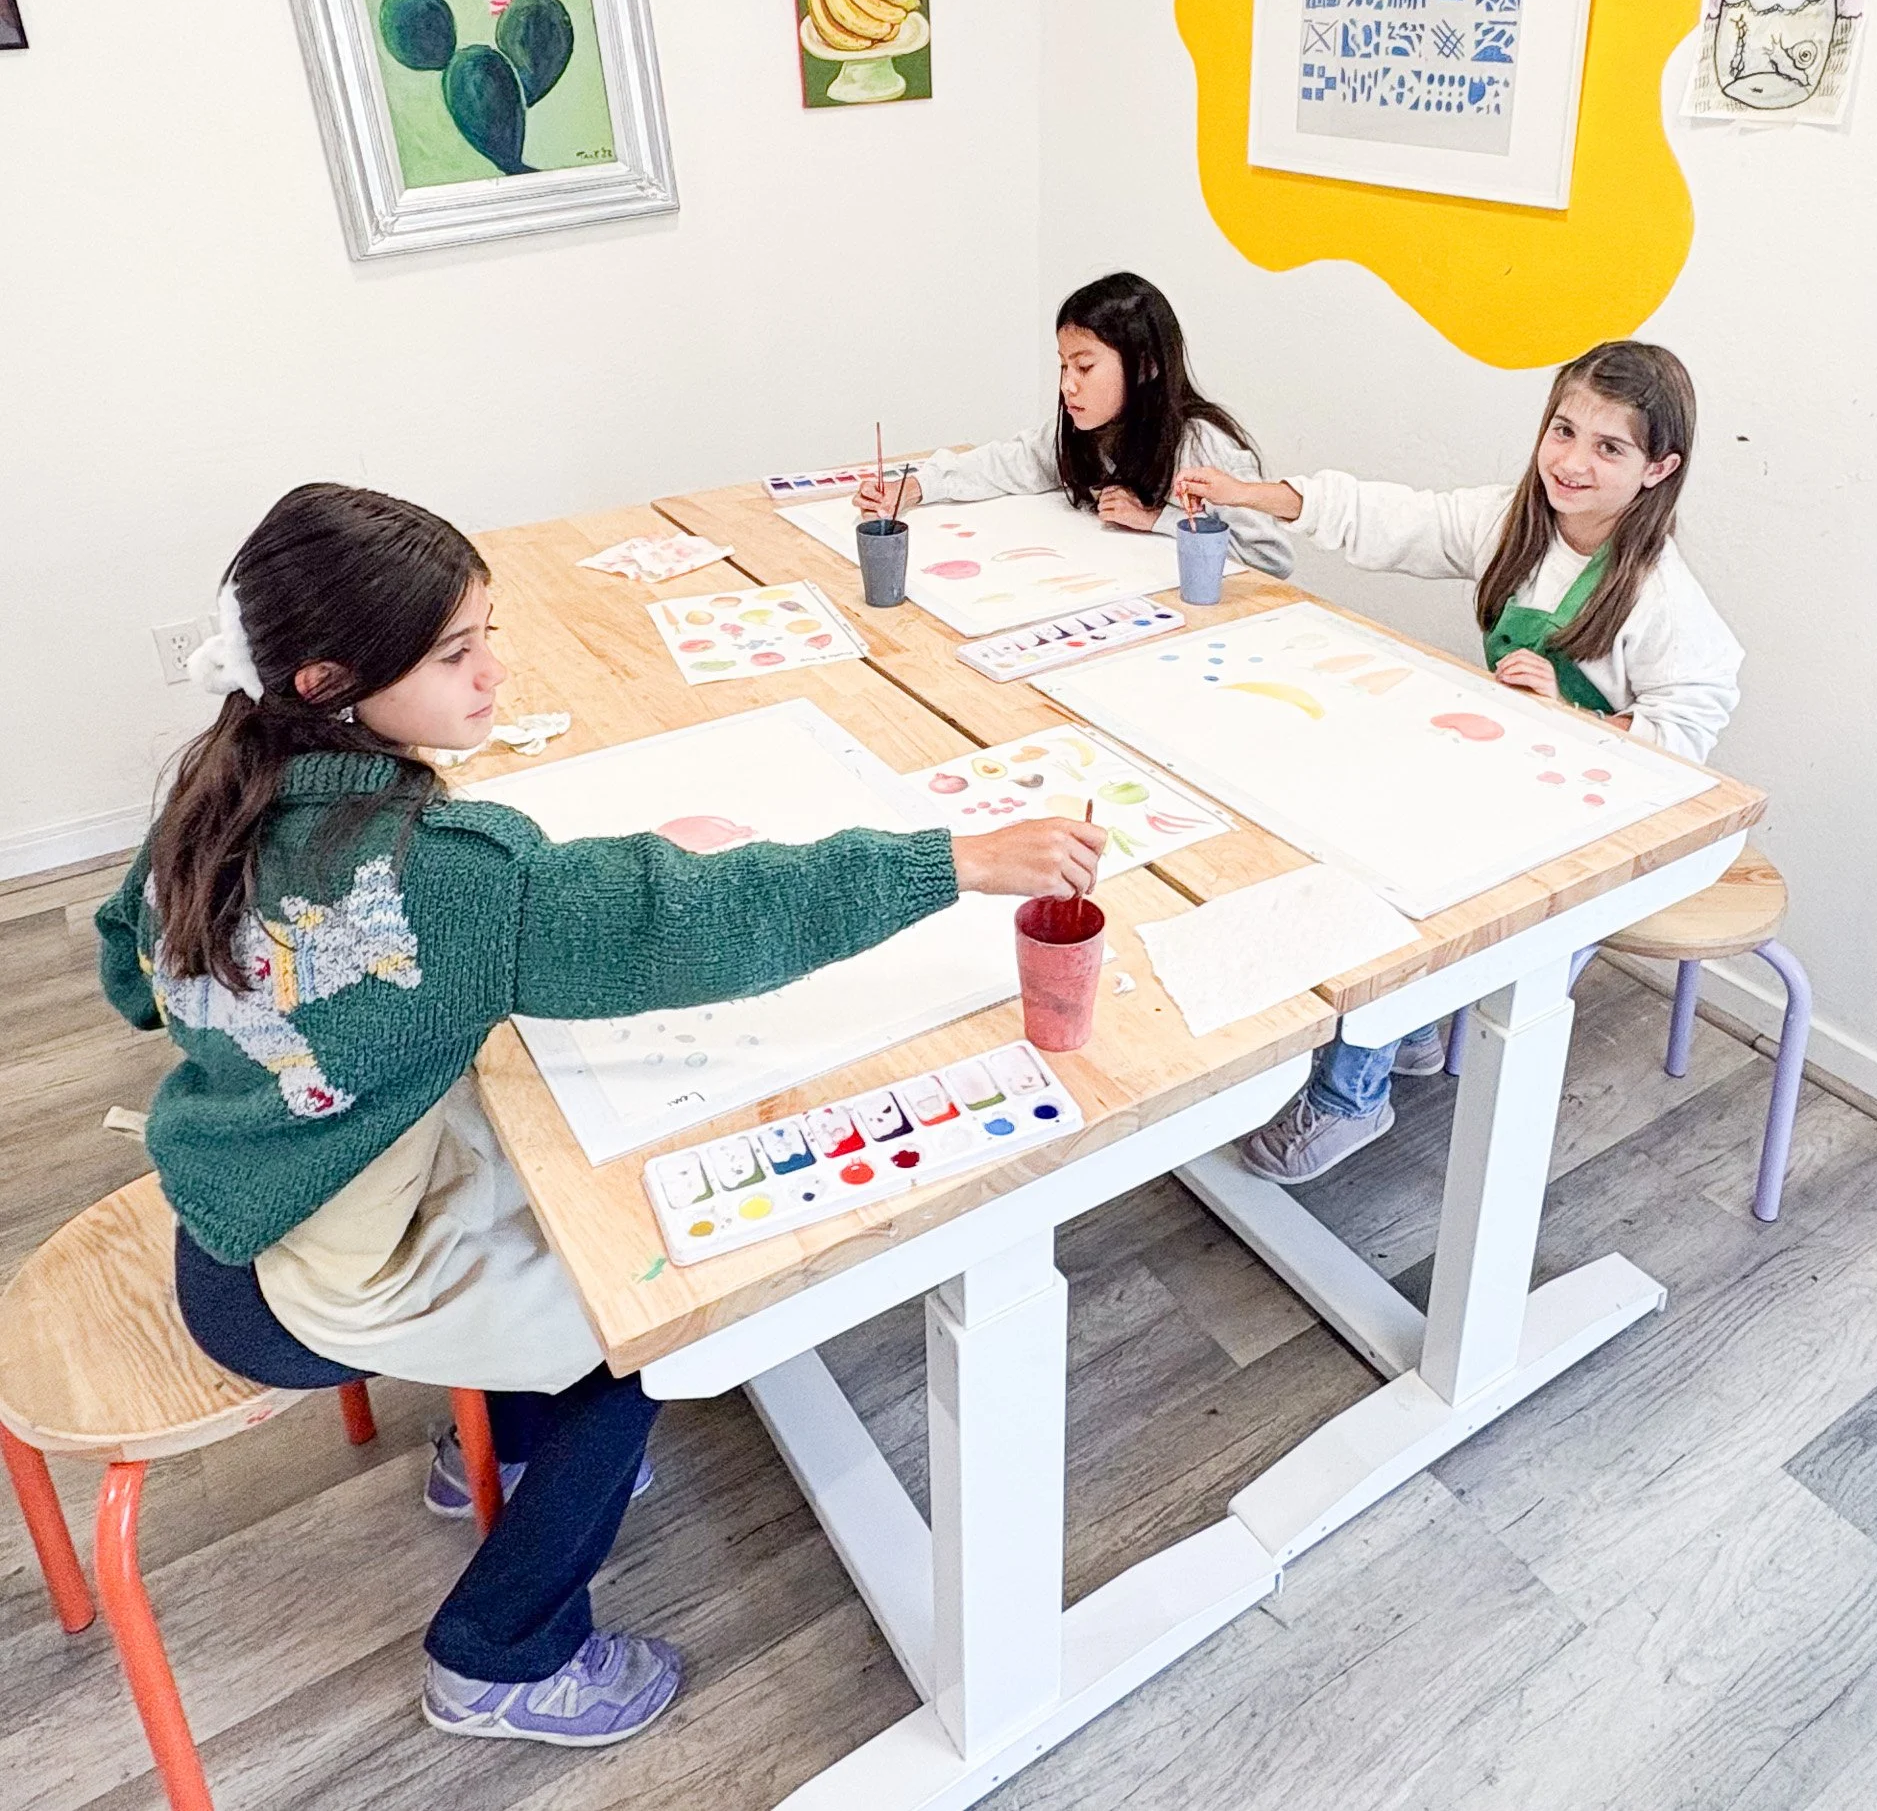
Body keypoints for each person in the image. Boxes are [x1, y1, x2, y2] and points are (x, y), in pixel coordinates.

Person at [96, 482, 1105, 1744]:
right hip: (305, 1274)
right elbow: (684, 913)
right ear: (326, 680)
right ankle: (498, 1648)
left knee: (540, 1189)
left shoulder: (213, 783)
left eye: (487, 636)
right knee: (655, 1318)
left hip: (230, 1190)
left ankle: (493, 1448)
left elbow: (125, 972)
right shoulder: (442, 876)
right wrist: (951, 859)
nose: (493, 677)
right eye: (457, 654)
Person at [1175, 341, 1742, 1185]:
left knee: (1402, 888)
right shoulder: (1516, 526)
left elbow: (1691, 735)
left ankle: (1348, 1096)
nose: (1573, 461)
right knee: (1359, 820)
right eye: (1564, 430)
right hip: (1508, 786)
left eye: (1608, 447)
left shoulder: (1663, 598)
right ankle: (1403, 1033)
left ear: (1660, 468)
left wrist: (1576, 716)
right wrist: (1253, 495)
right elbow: (1391, 518)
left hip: (1595, 830)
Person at [856, 270, 1292, 577]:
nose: (1068, 387)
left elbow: (1270, 560)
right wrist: (918, 486)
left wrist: (1157, 519)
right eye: (1063, 367)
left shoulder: (1201, 447)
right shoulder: (1087, 430)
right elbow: (1013, 461)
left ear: (1144, 367)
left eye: (1084, 368)